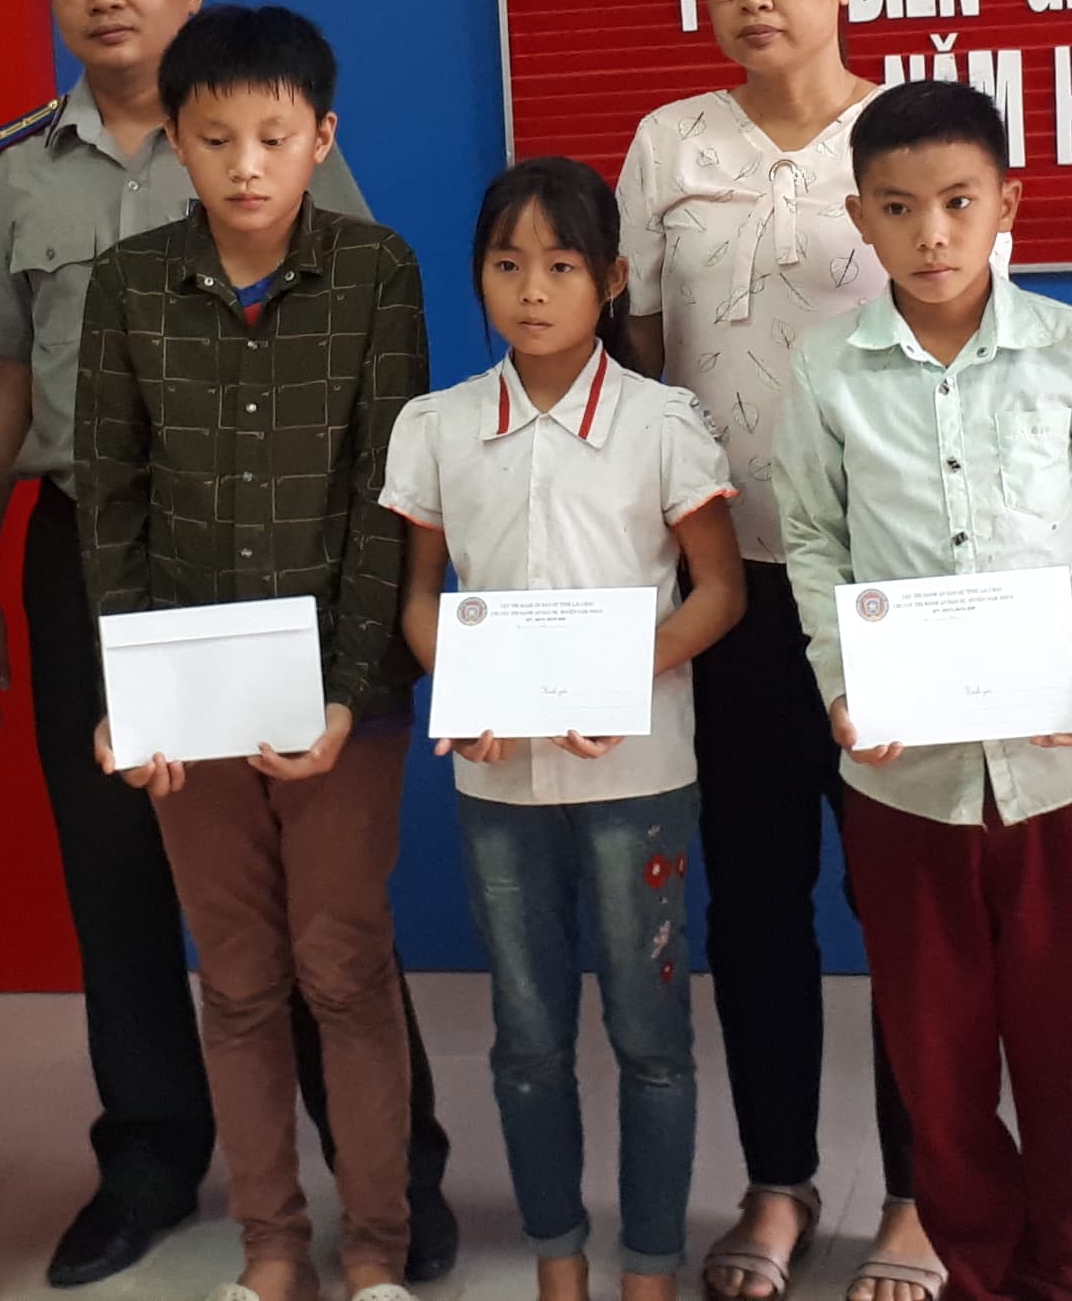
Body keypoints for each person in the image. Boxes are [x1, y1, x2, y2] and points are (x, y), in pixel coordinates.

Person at [0, 0, 456, 1286]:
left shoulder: (267, 122)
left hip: (289, 546)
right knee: (120, 868)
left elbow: (356, 355)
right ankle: (153, 1160)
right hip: (99, 545)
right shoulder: (11, 173)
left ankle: (390, 1173)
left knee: (320, 895)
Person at [79, 4, 430, 1301]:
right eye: (216, 138)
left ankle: (378, 1247)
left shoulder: (377, 272)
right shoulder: (128, 286)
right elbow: (110, 508)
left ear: (319, 138)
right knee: (234, 980)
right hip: (192, 698)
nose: (245, 165)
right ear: (174, 141)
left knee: (342, 967)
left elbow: (386, 497)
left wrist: (342, 694)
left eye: (274, 137)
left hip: (345, 695)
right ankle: (272, 1246)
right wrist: (135, 699)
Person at [781, 81, 1072, 1301]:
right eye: (897, 208)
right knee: (935, 1067)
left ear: (1007, 204)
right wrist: (843, 684)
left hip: (1059, 767)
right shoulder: (827, 368)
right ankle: (980, 1273)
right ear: (860, 219)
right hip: (906, 778)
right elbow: (814, 539)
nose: (931, 233)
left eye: (956, 202)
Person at [614, 0, 926, 1301]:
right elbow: (640, 353)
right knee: (753, 900)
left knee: (909, 900)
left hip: (892, 588)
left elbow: (971, 336)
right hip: (733, 588)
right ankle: (780, 1181)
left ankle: (923, 1194)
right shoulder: (668, 142)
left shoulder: (910, 129)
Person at [394, 157, 748, 1301]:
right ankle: (558, 1256)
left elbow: (720, 591)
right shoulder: (438, 426)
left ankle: (649, 1264)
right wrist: (470, 687)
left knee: (652, 1035)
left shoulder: (663, 423)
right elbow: (419, 596)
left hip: (638, 774)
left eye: (559, 266)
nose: (533, 291)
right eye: (507, 266)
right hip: (500, 786)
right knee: (527, 1037)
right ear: (478, 279)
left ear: (612, 279)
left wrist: (615, 675)